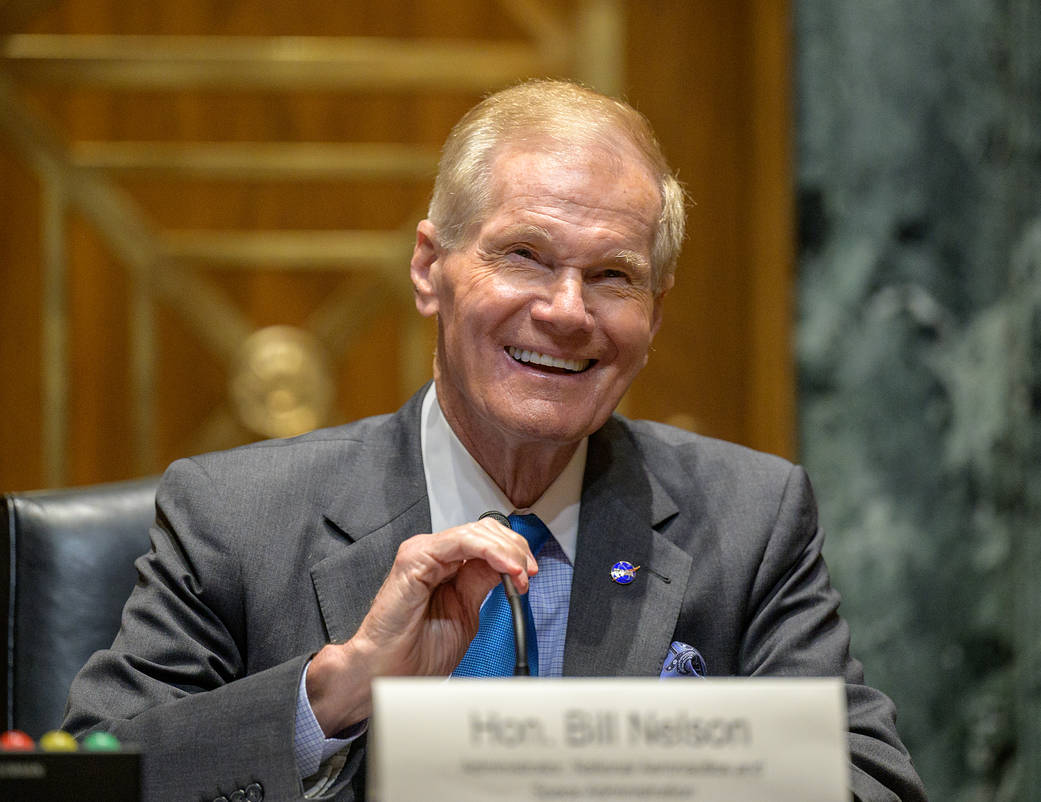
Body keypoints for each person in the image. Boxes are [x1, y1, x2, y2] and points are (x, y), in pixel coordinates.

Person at [65, 79, 926, 801]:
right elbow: (86, 779)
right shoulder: (236, 517)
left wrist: (661, 754)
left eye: (613, 276)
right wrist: (328, 696)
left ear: (654, 315)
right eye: (522, 255)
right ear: (428, 269)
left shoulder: (747, 517)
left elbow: (869, 781)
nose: (565, 311)